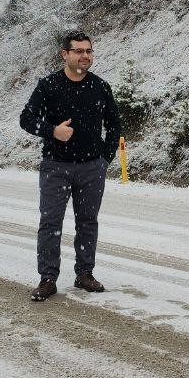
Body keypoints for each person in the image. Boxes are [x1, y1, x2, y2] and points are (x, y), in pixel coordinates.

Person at [19, 31, 122, 302]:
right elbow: (26, 119)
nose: (85, 56)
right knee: (50, 223)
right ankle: (48, 278)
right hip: (56, 166)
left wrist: (105, 159)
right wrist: (52, 130)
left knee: (88, 222)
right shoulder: (48, 86)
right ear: (64, 54)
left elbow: (114, 124)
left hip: (91, 168)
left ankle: (84, 273)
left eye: (88, 51)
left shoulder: (101, 87)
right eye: (78, 51)